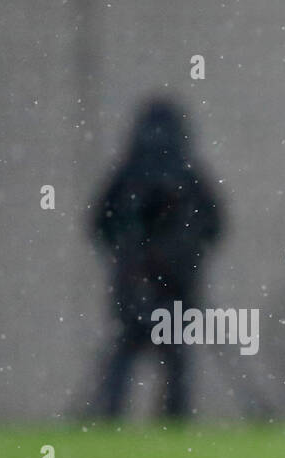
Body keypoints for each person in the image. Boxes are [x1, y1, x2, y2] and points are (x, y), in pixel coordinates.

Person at [88, 99, 222, 419]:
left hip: (140, 285)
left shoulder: (129, 175)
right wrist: (185, 252)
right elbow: (214, 226)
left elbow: (100, 224)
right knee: (173, 358)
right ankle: (172, 425)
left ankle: (111, 419)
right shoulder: (187, 176)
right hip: (169, 286)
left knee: (127, 354)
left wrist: (127, 254)